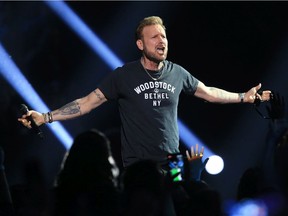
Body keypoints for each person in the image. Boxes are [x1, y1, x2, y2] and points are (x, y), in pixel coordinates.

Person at [18, 16, 272, 171]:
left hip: (173, 161)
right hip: (138, 166)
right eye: (154, 37)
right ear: (140, 44)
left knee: (175, 204)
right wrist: (46, 117)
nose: (161, 41)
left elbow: (208, 93)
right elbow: (86, 103)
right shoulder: (123, 76)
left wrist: (243, 97)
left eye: (163, 36)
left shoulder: (177, 73)